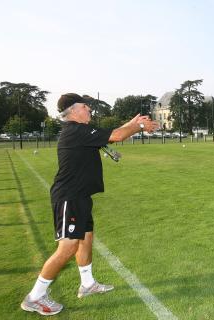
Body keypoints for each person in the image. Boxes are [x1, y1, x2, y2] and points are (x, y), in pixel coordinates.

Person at [21, 93, 157, 316]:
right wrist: (140, 126)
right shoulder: (76, 131)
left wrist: (132, 124)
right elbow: (117, 136)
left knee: (86, 239)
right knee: (67, 247)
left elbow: (111, 136)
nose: (90, 110)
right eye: (85, 106)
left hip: (81, 196)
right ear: (74, 111)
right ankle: (35, 297)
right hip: (69, 197)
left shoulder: (82, 131)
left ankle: (88, 284)